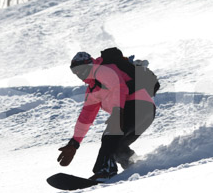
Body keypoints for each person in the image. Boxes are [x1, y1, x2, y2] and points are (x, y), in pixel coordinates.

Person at [57, 50, 156, 181]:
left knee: (110, 135)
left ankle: (105, 171)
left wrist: (117, 113)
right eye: (74, 71)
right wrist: (74, 142)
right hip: (144, 112)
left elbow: (119, 88)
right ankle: (136, 166)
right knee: (117, 146)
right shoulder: (93, 88)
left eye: (80, 69)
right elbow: (86, 116)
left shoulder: (103, 70)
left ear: (89, 65)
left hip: (138, 106)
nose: (78, 74)